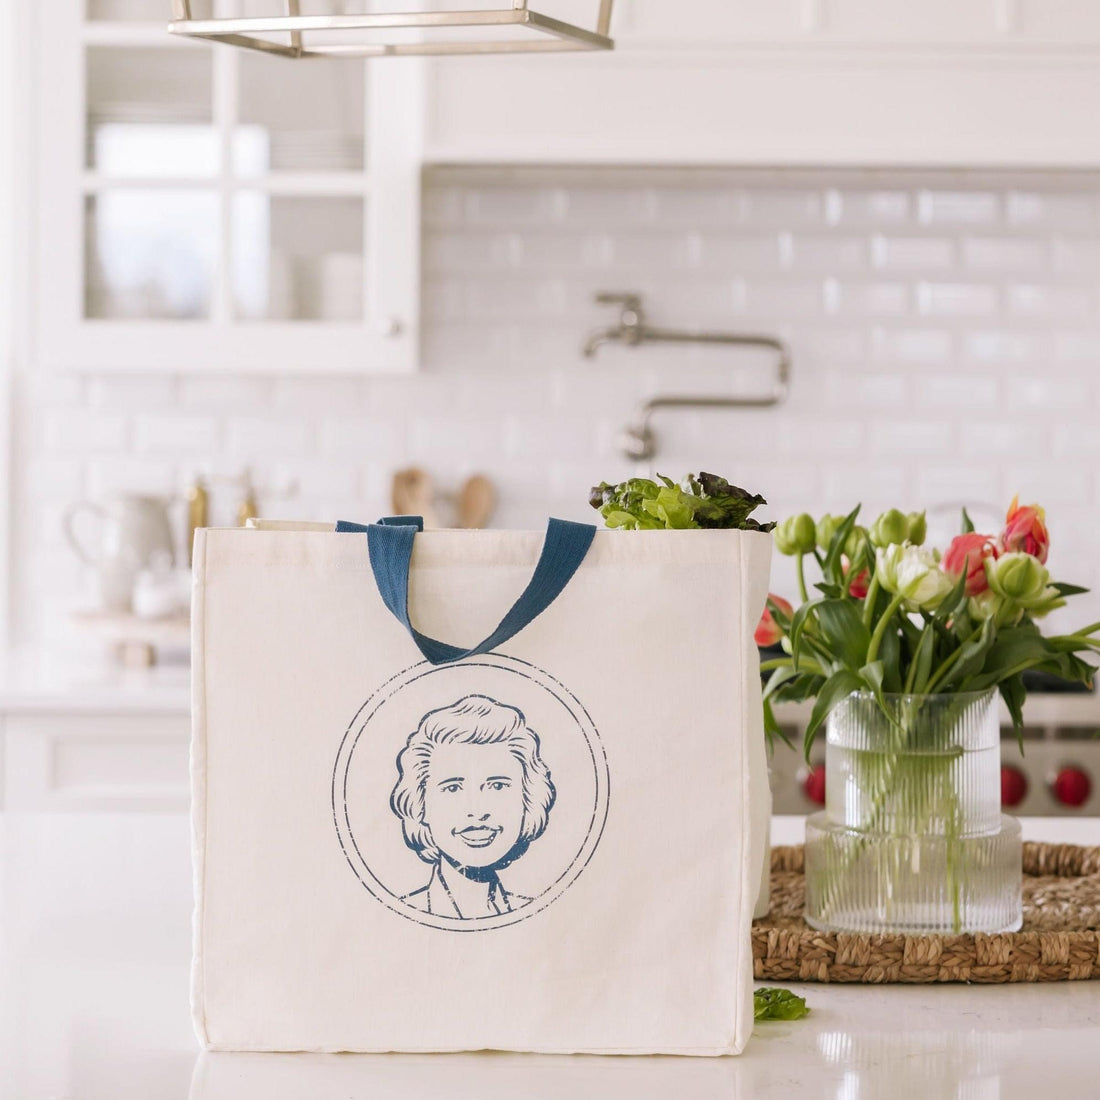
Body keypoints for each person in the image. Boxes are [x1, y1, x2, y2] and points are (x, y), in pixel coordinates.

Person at [390, 694, 555, 919]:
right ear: (421, 806)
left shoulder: (541, 914)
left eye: (497, 786)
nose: (477, 811)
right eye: (453, 788)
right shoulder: (402, 916)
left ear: (528, 799)